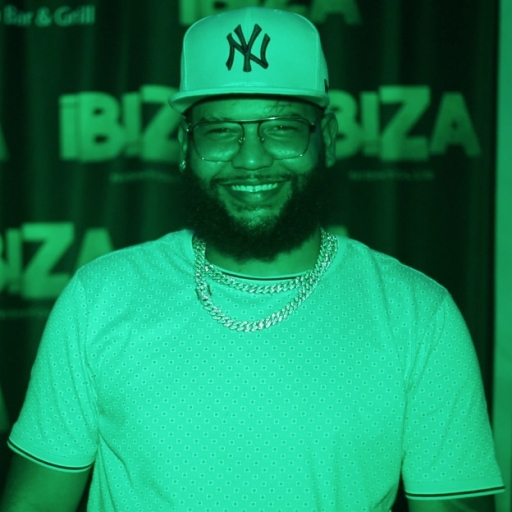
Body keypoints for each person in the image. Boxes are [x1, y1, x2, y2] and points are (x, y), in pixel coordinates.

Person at [0, 7, 504, 512]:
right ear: (185, 145)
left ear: (327, 139)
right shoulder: (100, 297)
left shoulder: (416, 314)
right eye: (221, 131)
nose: (251, 159)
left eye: (282, 128)